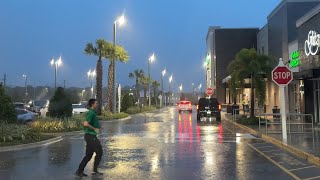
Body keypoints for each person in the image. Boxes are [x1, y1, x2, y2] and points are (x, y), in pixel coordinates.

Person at [75, 99, 103, 177]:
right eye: (96, 103)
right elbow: (85, 123)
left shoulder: (93, 112)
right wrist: (95, 129)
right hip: (90, 136)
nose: (97, 104)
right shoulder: (91, 113)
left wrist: (99, 127)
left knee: (89, 155)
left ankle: (79, 171)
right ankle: (94, 170)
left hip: (91, 136)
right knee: (99, 151)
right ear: (92, 104)